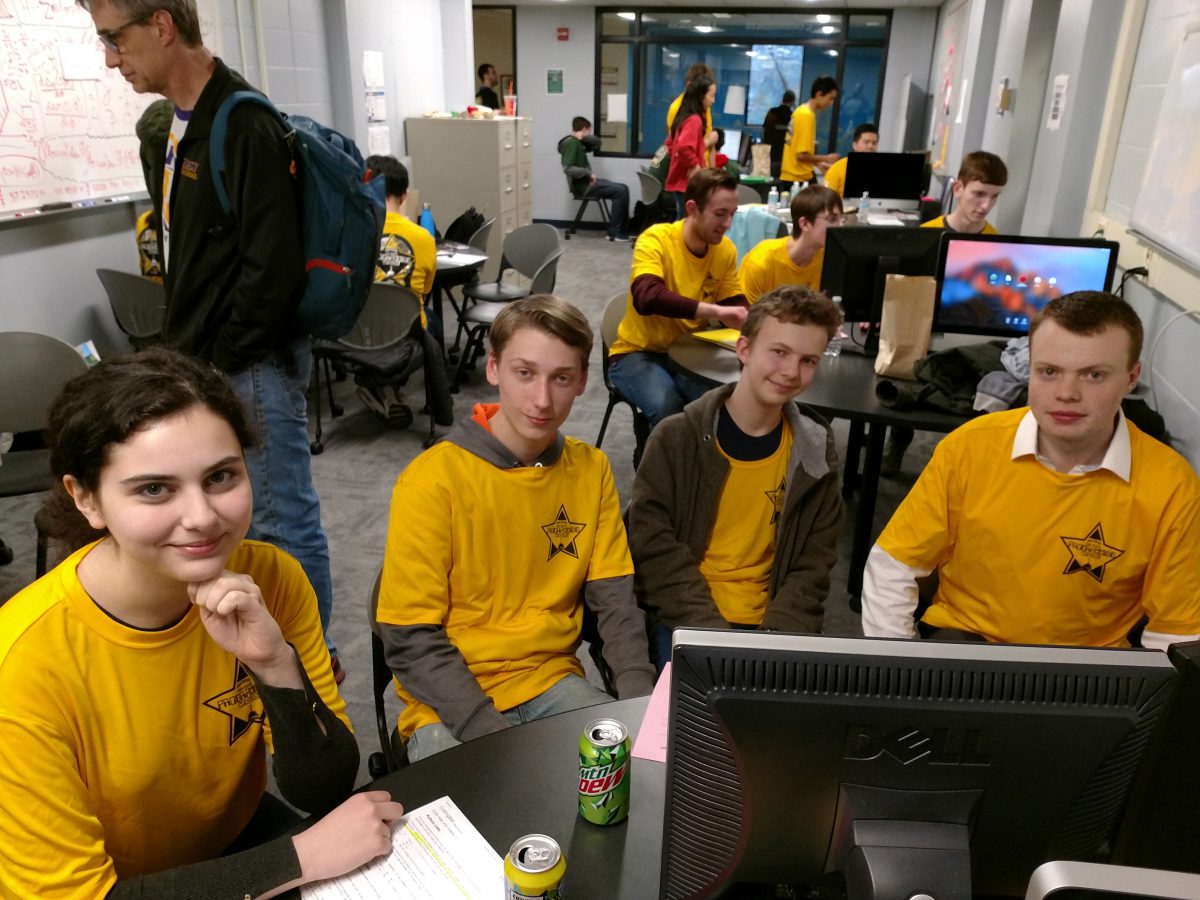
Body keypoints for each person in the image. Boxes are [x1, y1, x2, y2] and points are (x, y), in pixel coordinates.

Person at [0, 348, 404, 897]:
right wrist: (297, 858)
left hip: (227, 844)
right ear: (87, 499)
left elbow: (324, 787)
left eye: (220, 476)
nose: (202, 517)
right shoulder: (21, 665)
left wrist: (274, 663)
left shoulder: (271, 578)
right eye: (153, 488)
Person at [81, 0, 342, 680]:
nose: (111, 58)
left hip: (247, 368)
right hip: (205, 363)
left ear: (162, 25)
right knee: (229, 526)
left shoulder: (243, 122)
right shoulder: (171, 127)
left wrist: (222, 360)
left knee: (283, 523)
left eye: (115, 38)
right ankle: (251, 648)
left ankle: (309, 664)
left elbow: (272, 271)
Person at [377, 295, 656, 761]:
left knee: (631, 786)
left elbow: (615, 604)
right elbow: (410, 638)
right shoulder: (431, 480)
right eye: (524, 373)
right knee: (485, 821)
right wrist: (494, 736)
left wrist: (639, 707)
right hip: (451, 707)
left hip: (552, 682)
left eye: (561, 378)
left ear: (583, 381)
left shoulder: (591, 469)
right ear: (493, 369)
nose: (542, 400)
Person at [861, 292, 1200, 649]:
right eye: (1049, 371)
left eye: (1094, 375)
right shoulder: (970, 448)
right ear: (1029, 368)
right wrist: (903, 667)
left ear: (1131, 378)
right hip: (965, 643)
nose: (1067, 393)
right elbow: (892, 566)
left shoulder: (1172, 485)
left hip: (1086, 669)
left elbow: (1177, 634)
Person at [628, 286, 844, 670]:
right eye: (778, 352)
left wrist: (778, 636)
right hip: (689, 617)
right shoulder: (677, 438)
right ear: (743, 349)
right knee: (699, 723)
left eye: (808, 360)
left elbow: (814, 560)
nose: (791, 372)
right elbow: (654, 548)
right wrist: (713, 636)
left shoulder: (814, 446)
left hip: (772, 623)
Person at [608, 168, 748, 430]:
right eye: (720, 214)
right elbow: (647, 297)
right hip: (637, 353)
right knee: (667, 408)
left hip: (688, 354)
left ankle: (697, 468)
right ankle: (656, 466)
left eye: (732, 214)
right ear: (693, 208)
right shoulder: (656, 239)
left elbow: (733, 301)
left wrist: (755, 319)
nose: (728, 224)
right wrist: (716, 313)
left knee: (718, 408)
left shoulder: (724, 250)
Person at [350, 153, 438, 427]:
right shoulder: (423, 238)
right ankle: (391, 385)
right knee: (430, 320)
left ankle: (377, 384)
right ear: (404, 196)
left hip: (352, 335)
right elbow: (424, 290)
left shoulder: (348, 234)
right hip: (402, 334)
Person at [739, 185, 844, 303]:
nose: (840, 226)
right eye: (831, 219)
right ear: (804, 224)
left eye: (841, 219)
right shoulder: (762, 261)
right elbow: (745, 317)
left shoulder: (830, 260)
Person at [558, 115, 632, 242]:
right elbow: (568, 169)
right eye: (589, 130)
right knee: (621, 191)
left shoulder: (579, 142)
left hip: (588, 183)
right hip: (583, 187)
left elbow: (597, 143)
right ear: (585, 128)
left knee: (624, 187)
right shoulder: (572, 143)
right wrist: (588, 172)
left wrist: (584, 136)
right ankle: (615, 233)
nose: (590, 133)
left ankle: (622, 231)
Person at [665, 75, 717, 220]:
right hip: (686, 182)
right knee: (687, 222)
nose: (713, 101)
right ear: (701, 96)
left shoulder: (684, 116)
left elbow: (670, 144)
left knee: (683, 219)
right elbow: (683, 147)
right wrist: (695, 166)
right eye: (711, 96)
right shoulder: (694, 121)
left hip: (679, 181)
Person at [921, 150, 1007, 234]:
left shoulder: (994, 242)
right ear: (958, 189)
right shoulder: (924, 234)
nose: (986, 206)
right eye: (979, 194)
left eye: (994, 196)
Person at [781, 76, 840, 186]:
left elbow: (797, 152)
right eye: (830, 98)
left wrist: (818, 163)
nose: (831, 103)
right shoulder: (807, 116)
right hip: (798, 178)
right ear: (819, 94)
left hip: (792, 175)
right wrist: (827, 158)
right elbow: (801, 156)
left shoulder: (800, 111)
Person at [823, 121, 879, 198]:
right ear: (854, 145)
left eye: (874, 143)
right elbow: (826, 199)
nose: (870, 146)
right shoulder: (837, 168)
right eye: (866, 142)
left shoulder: (882, 169)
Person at [762, 89, 796, 179]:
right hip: (784, 157)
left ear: (782, 99)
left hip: (769, 155)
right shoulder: (793, 116)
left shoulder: (772, 112)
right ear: (792, 102)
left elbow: (764, 131)